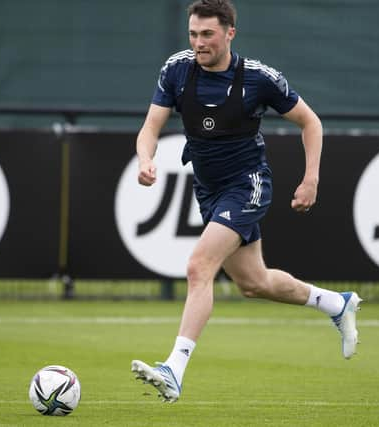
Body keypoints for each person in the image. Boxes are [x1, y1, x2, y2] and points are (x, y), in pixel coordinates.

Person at [130, 0, 362, 403]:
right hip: (209, 189)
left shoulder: (259, 78)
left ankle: (174, 368)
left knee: (198, 265)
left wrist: (311, 178)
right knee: (254, 283)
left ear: (230, 33)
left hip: (248, 184)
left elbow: (311, 122)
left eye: (207, 35)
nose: (198, 43)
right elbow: (151, 125)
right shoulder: (176, 69)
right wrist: (145, 158)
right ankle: (336, 304)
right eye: (193, 34)